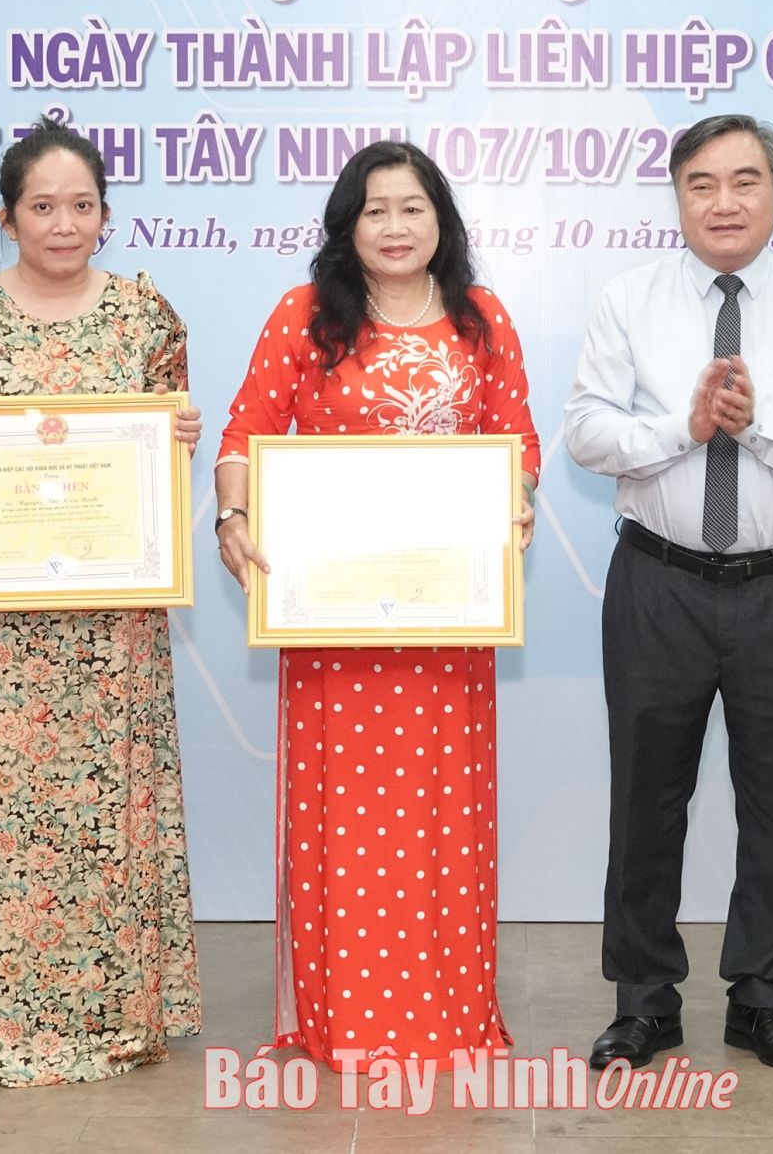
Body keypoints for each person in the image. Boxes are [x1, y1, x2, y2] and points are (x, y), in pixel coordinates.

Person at [213, 140, 540, 1069]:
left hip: (446, 624)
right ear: (346, 226)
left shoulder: (481, 318)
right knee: (347, 823)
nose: (395, 227)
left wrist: (515, 500)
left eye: (412, 208)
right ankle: (341, 1020)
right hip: (334, 626)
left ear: (442, 220)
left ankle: (444, 1017)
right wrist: (234, 516)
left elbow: (516, 441)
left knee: (438, 819)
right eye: (375, 210)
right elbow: (245, 432)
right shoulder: (306, 315)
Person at [564, 114, 773, 1072]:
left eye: (745, 181)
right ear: (678, 197)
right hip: (658, 583)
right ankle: (644, 1001)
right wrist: (685, 429)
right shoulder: (628, 300)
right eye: (702, 183)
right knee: (645, 798)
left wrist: (762, 426)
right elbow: (585, 431)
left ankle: (761, 998)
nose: (725, 202)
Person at [0, 116, 204, 1087]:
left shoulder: (148, 318)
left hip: (115, 626)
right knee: (10, 830)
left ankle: (122, 1018)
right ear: (7, 218)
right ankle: (14, 1023)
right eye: (43, 206)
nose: (64, 223)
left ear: (107, 215)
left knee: (113, 823)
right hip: (0, 631)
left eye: (82, 205)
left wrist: (177, 437)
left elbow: (157, 462)